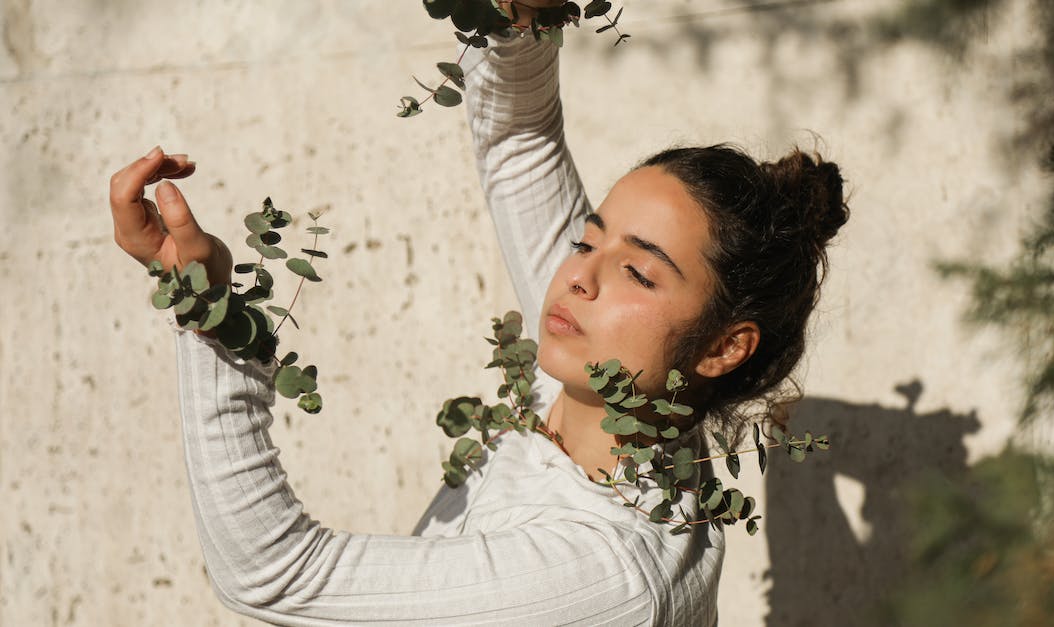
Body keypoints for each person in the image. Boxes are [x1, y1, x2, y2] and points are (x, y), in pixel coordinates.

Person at [106, 3, 847, 624]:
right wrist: (518, 20)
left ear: (723, 348)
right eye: (592, 236)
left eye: (637, 270)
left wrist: (213, 319)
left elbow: (272, 572)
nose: (578, 274)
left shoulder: (607, 577)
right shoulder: (603, 391)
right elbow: (521, 146)